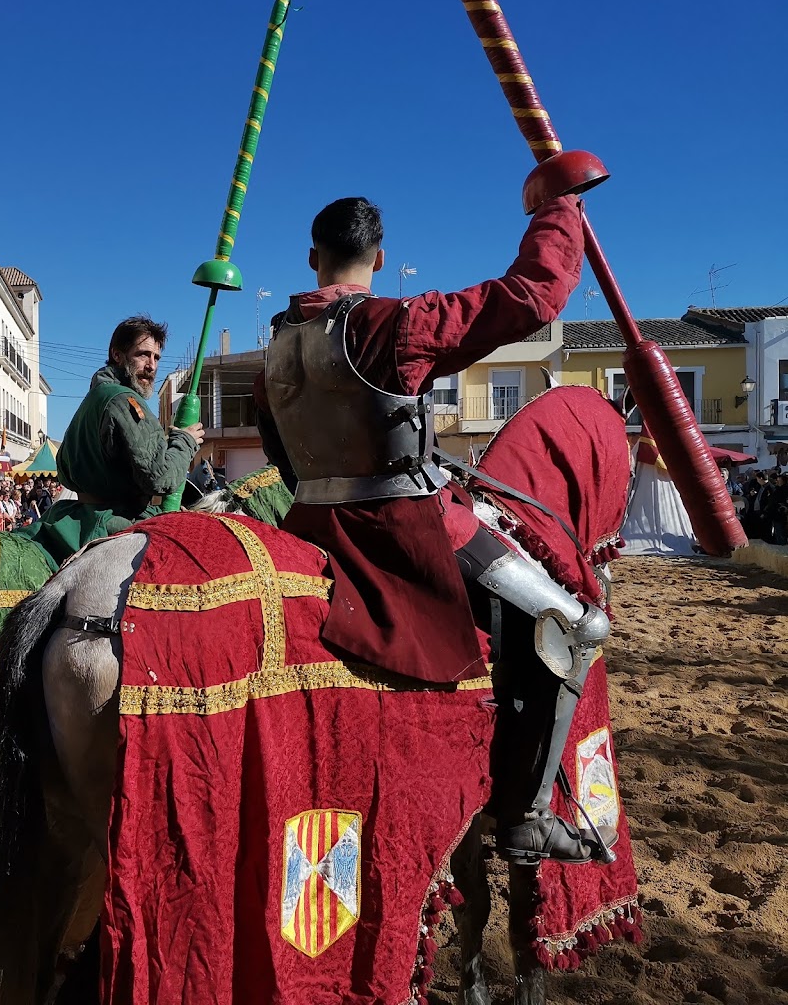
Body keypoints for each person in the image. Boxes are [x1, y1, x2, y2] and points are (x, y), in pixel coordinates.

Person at [257, 192, 615, 865]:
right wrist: (558, 212)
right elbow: (534, 294)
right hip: (403, 529)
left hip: (309, 527)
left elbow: (279, 452)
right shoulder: (400, 324)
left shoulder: (275, 347)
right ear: (382, 258)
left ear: (313, 259)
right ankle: (525, 817)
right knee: (575, 625)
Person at [31, 314, 203, 561]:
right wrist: (184, 442)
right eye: (143, 354)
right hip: (112, 521)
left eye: (156, 357)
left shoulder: (95, 398)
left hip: (78, 516)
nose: (152, 365)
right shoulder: (125, 402)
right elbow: (160, 478)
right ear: (117, 355)